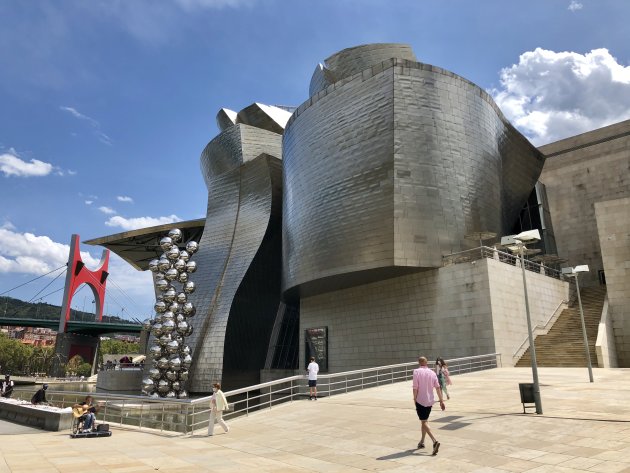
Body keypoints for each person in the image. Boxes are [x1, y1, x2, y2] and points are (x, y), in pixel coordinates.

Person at [412, 356, 445, 455]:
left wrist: (414, 398)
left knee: (424, 422)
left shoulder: (416, 372)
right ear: (426, 363)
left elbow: (415, 387)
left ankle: (434, 441)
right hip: (430, 401)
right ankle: (422, 442)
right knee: (424, 421)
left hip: (420, 400)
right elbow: (438, 388)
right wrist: (441, 401)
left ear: (419, 362)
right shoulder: (432, 373)